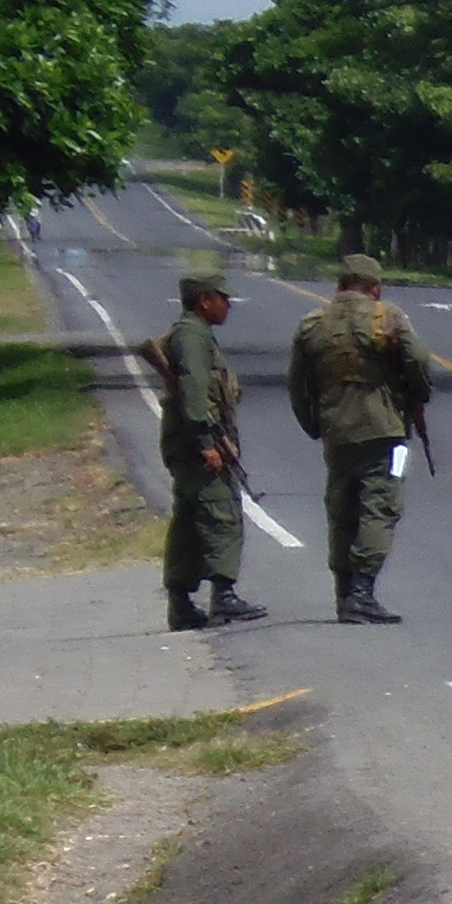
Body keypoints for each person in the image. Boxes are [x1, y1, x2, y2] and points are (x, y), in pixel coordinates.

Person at [284, 250, 430, 625]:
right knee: (382, 505)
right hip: (388, 434)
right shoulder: (388, 317)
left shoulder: (311, 324)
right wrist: (418, 393)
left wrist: (314, 424)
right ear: (375, 288)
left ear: (339, 286)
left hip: (337, 433)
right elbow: (417, 359)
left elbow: (297, 385)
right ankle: (363, 592)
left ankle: (343, 592)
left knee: (341, 510)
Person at [144, 263, 267, 633]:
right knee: (221, 514)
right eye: (222, 299)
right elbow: (195, 392)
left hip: (189, 442)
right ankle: (224, 595)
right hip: (198, 444)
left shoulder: (193, 334)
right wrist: (207, 444)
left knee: (188, 523)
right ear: (204, 300)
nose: (228, 306)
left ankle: (181, 602)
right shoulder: (192, 337)